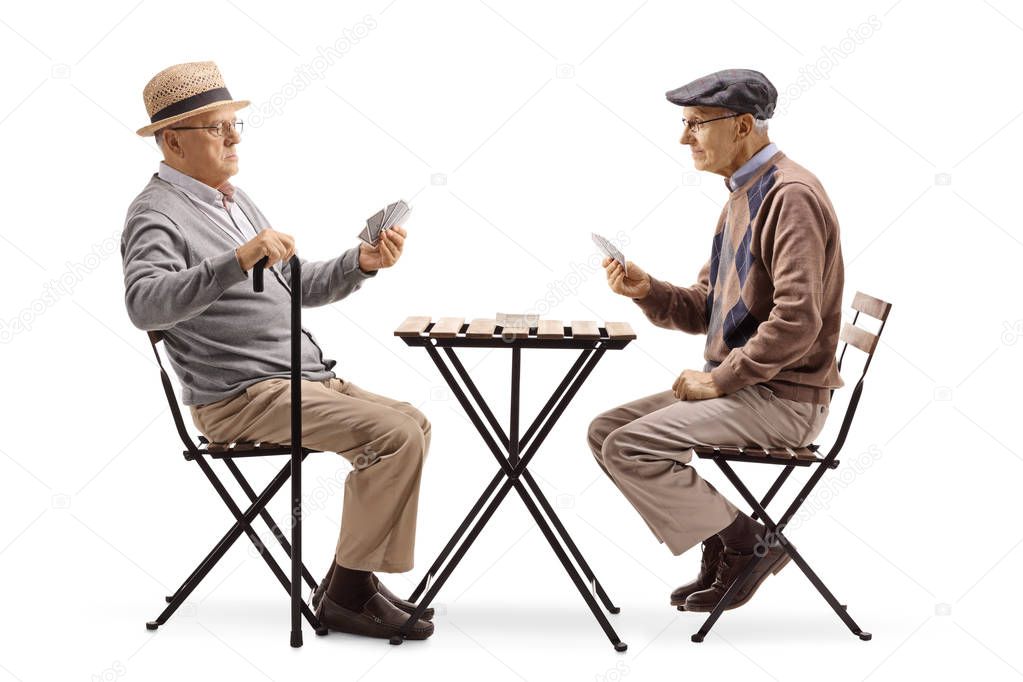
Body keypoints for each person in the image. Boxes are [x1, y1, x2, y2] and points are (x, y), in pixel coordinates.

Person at [121, 61, 433, 640]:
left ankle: (350, 580)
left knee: (414, 422)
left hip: (300, 380)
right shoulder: (156, 212)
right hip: (240, 397)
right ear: (172, 141)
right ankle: (346, 593)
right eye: (217, 128)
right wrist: (234, 260)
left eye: (234, 125)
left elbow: (299, 286)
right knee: (394, 437)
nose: (235, 137)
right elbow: (143, 304)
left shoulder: (233, 201)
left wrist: (360, 262)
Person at [589, 69, 844, 613]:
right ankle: (725, 542)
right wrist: (647, 290)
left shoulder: (790, 196)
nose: (685, 139)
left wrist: (720, 379)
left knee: (628, 446)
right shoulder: (741, 197)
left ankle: (746, 544)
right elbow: (708, 307)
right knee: (606, 431)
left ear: (745, 125)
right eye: (686, 124)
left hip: (783, 400)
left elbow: (798, 321)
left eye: (697, 125)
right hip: (753, 390)